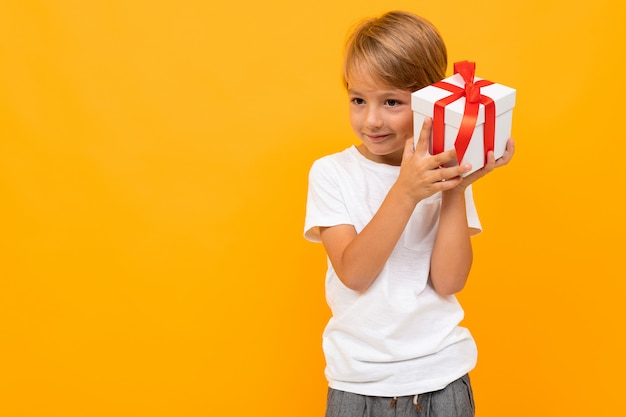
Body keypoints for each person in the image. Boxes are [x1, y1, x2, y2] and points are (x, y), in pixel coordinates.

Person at [303, 10, 515, 417]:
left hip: (444, 380)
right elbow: (354, 273)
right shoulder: (332, 173)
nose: (372, 120)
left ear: (429, 102)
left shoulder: (442, 172)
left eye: (392, 102)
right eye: (358, 100)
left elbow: (450, 281)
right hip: (359, 388)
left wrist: (457, 187)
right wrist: (406, 191)